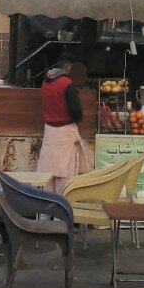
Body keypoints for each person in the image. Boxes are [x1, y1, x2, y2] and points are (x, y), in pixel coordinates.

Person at [36, 54, 89, 192]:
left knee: (46, 176)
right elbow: (76, 112)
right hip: (65, 134)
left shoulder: (45, 82)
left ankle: (43, 214)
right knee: (64, 178)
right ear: (67, 67)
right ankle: (61, 212)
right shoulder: (68, 85)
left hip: (49, 134)